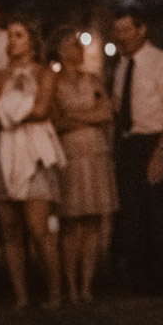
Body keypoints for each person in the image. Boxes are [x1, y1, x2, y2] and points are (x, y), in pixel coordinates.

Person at [0, 16, 64, 309]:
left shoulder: (45, 73)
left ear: (31, 40)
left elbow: (42, 110)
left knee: (37, 227)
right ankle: (21, 296)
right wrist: (17, 107)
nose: (12, 41)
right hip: (0, 151)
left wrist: (7, 109)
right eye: (10, 36)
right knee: (10, 230)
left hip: (33, 150)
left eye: (18, 35)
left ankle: (55, 292)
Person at [109, 7, 163, 295]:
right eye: (117, 31)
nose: (121, 37)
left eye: (126, 30)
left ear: (142, 30)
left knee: (161, 213)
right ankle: (140, 278)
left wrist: (161, 151)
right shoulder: (122, 65)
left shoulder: (160, 62)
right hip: (130, 142)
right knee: (134, 213)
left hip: (155, 140)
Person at [51, 25, 118, 305]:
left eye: (77, 46)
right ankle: (71, 285)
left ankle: (87, 286)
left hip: (95, 153)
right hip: (70, 155)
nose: (75, 51)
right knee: (70, 223)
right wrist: (89, 116)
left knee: (92, 222)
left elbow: (107, 113)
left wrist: (77, 116)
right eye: (69, 45)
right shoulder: (53, 82)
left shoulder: (94, 80)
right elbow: (57, 120)